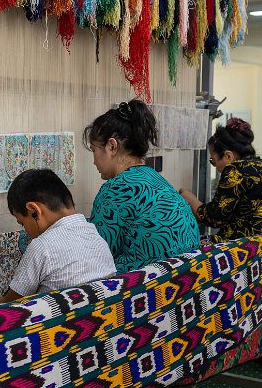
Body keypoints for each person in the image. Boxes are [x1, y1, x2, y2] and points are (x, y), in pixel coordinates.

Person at [0, 169, 116, 310]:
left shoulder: (42, 246)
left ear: (34, 211)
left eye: (22, 223)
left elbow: (10, 310)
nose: (26, 231)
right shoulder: (95, 236)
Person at [85, 101, 201, 273]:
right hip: (184, 283)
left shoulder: (115, 190)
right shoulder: (157, 180)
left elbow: (96, 257)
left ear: (112, 146)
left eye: (94, 150)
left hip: (147, 290)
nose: (94, 161)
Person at [179, 117, 262, 242]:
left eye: (213, 161)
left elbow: (214, 218)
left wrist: (190, 199)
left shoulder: (235, 170)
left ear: (228, 156)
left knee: (188, 245)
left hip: (255, 246)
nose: (215, 167)